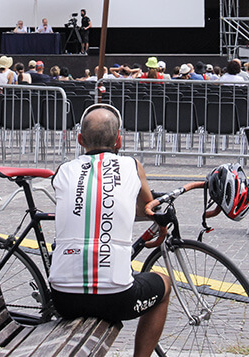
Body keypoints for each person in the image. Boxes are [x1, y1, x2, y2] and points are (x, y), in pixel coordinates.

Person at [48, 104, 170, 357]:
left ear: (80, 140)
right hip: (116, 299)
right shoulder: (132, 166)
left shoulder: (63, 171)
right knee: (165, 284)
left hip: (63, 299)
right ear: (119, 141)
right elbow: (148, 209)